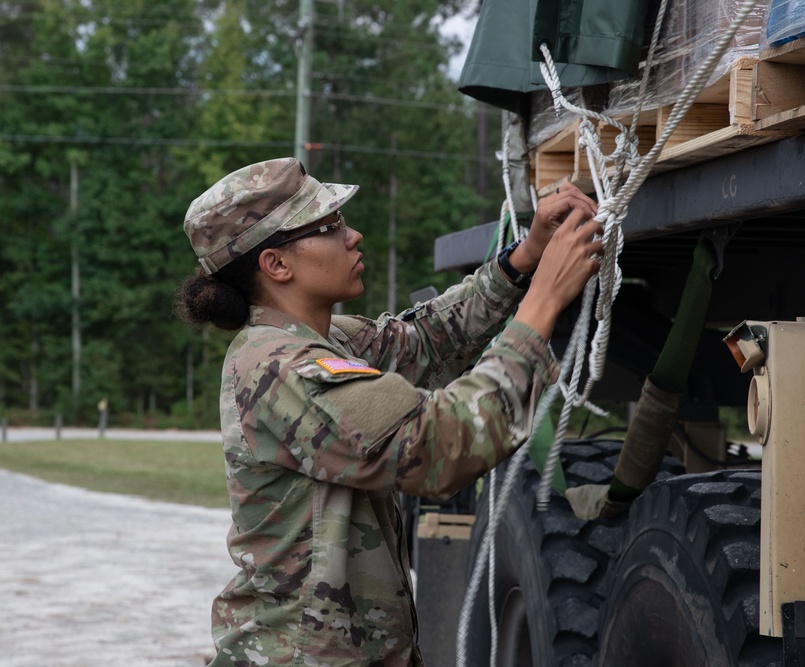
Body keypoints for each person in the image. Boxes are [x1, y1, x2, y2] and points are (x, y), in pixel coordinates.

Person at [176, 156, 601, 666]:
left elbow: (428, 340)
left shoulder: (324, 340)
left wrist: (524, 259)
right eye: (329, 227)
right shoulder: (278, 367)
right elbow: (435, 446)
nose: (353, 236)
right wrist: (543, 304)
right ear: (277, 265)